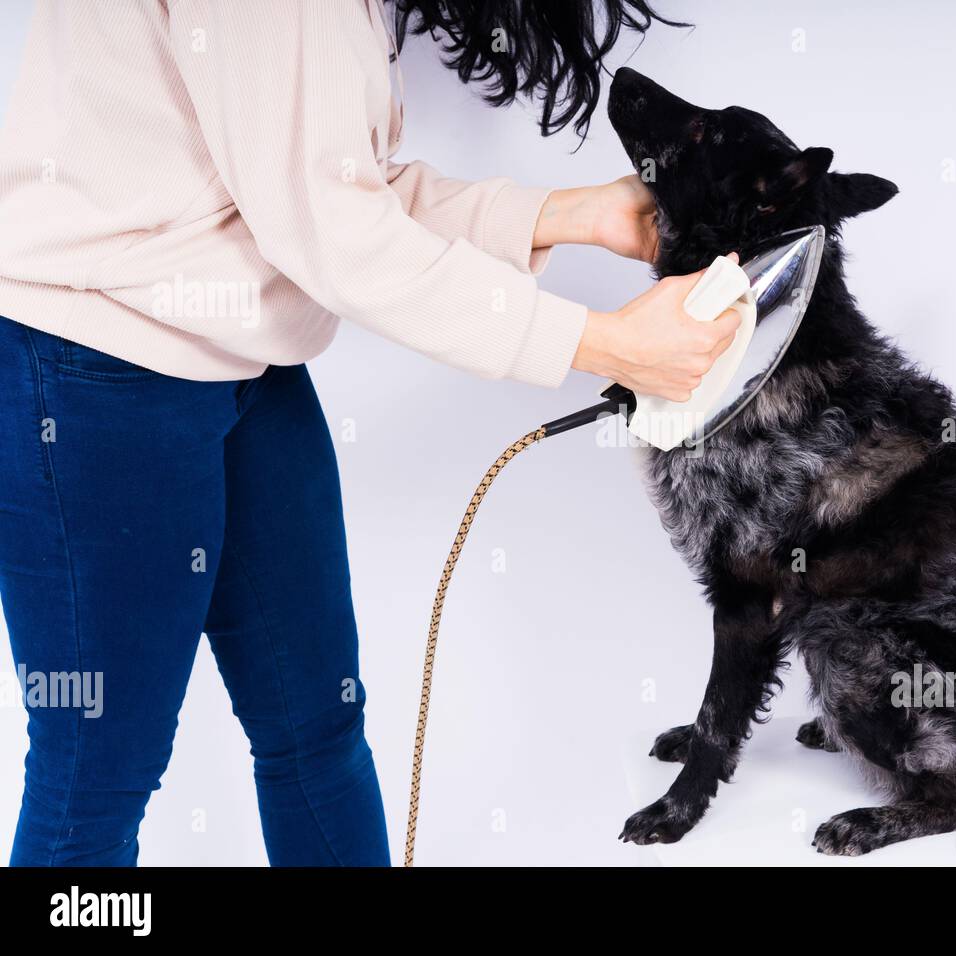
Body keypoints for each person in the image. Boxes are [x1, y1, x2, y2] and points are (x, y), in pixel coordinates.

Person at [0, 0, 736, 866]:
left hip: (244, 365)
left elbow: (330, 187)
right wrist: (608, 345)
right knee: (97, 773)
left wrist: (571, 214)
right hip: (95, 370)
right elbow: (334, 231)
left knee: (317, 727)